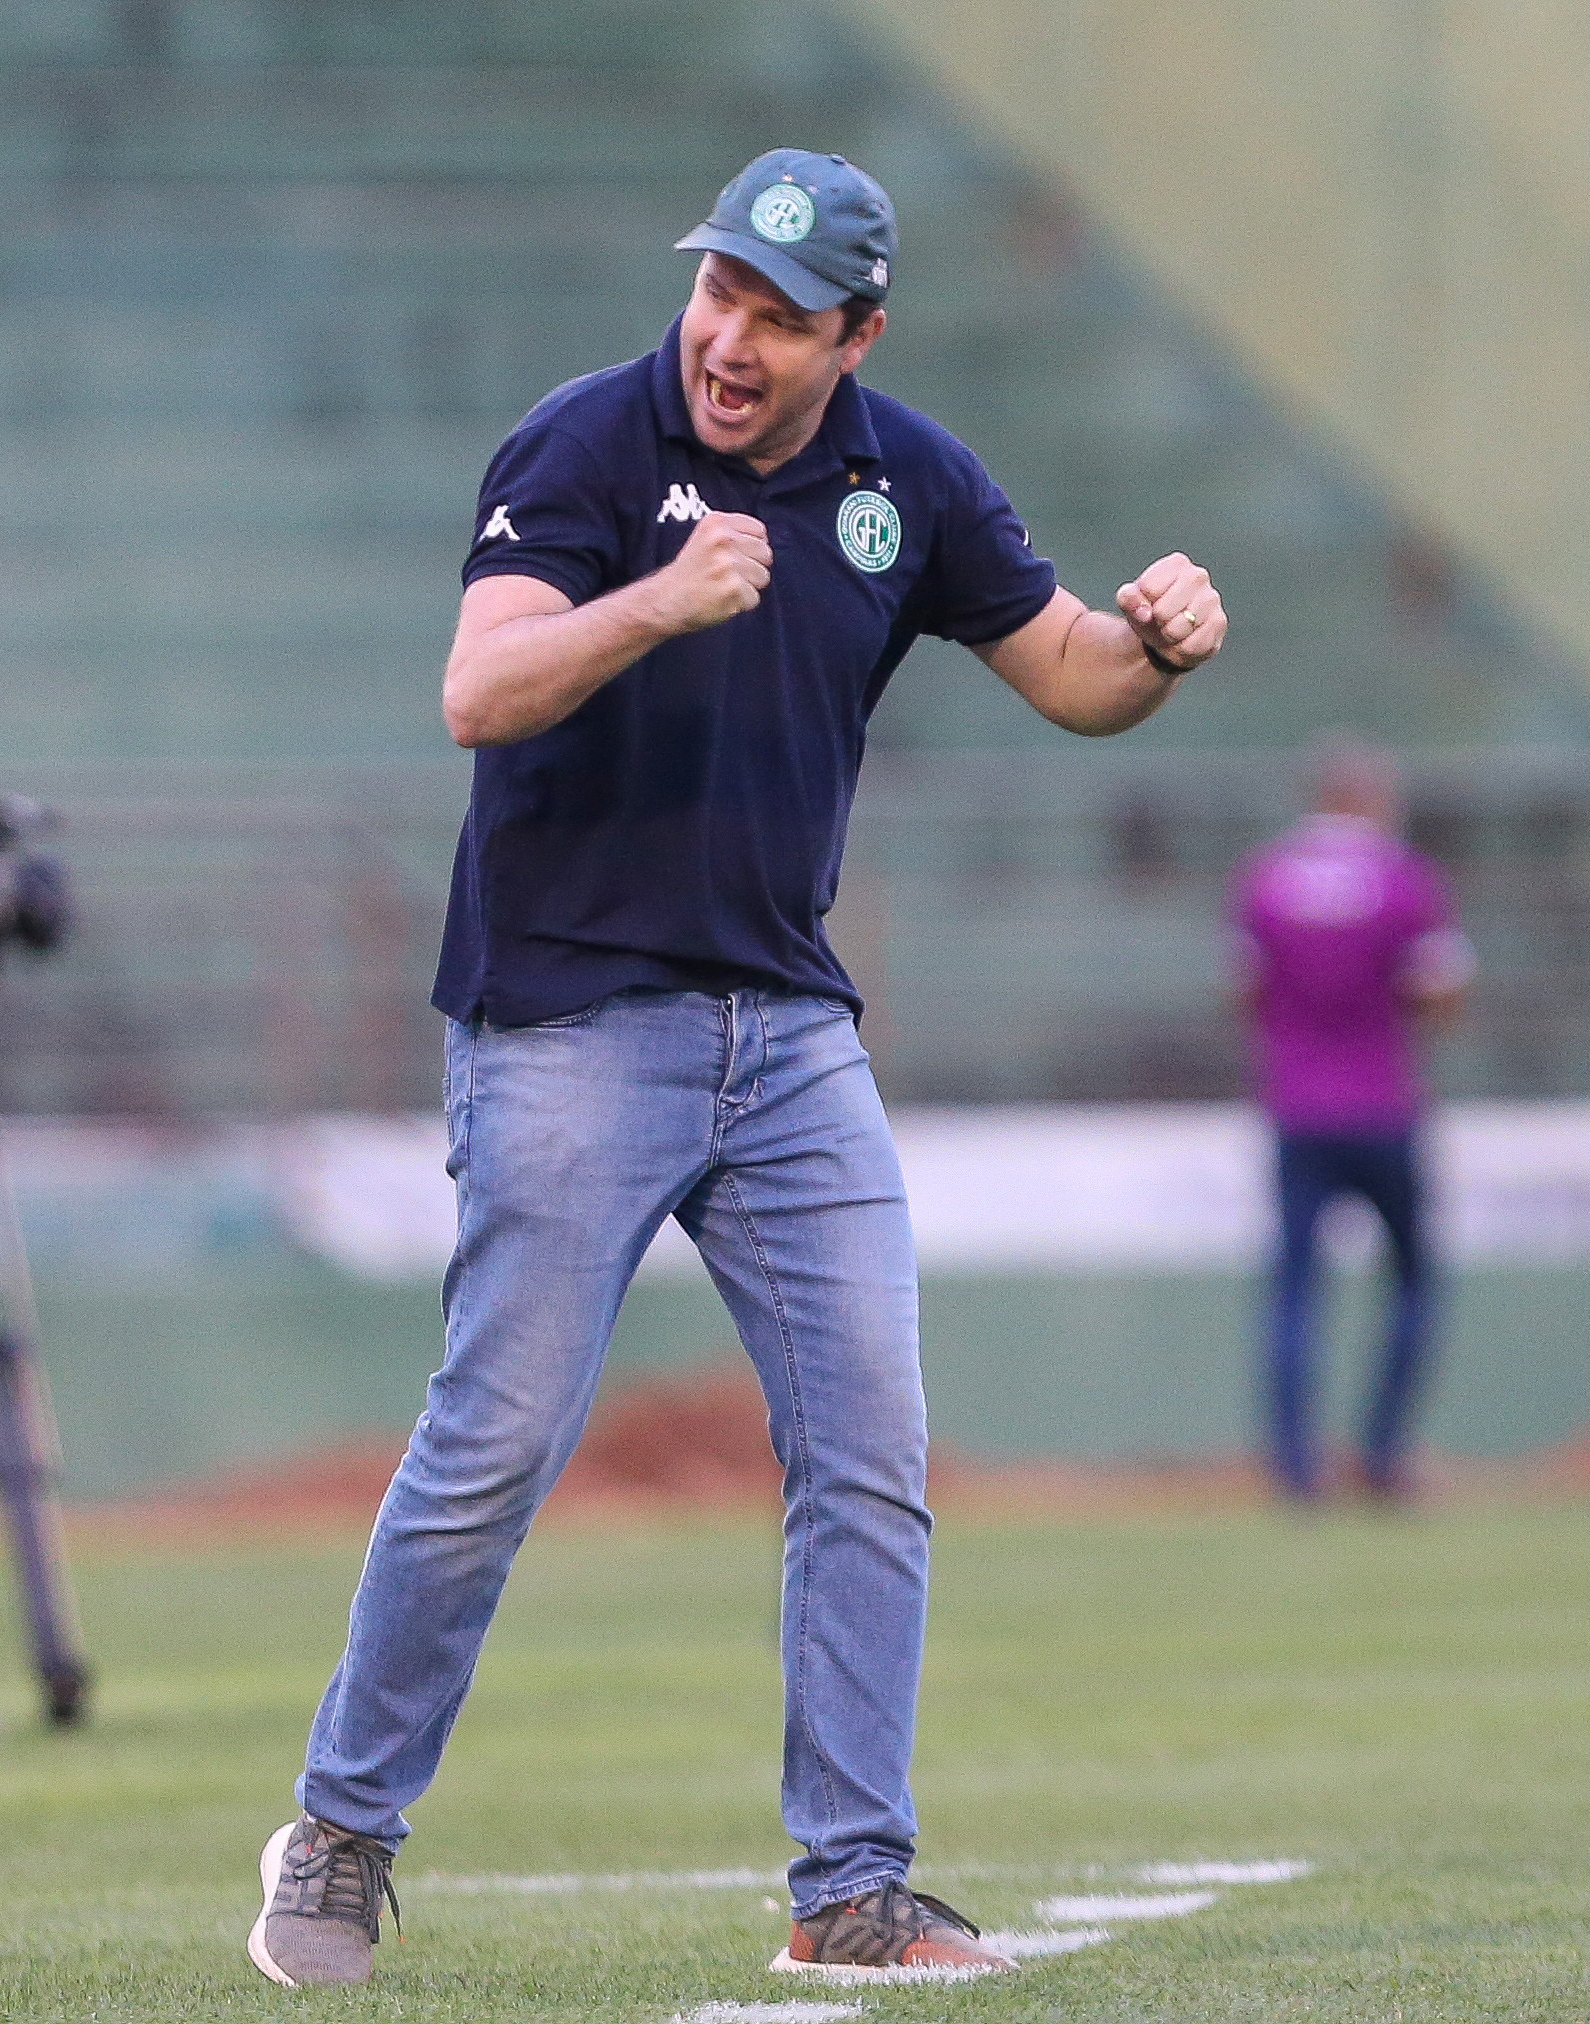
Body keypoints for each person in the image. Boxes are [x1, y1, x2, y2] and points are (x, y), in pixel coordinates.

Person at [245, 149, 1228, 1989]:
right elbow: (480, 688)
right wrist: (659, 603)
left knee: (870, 1445)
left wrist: (1159, 641)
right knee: (495, 1448)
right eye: (719, 293)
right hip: (565, 1020)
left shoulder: (904, 477)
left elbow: (1076, 672)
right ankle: (342, 1826)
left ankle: (850, 1881)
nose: (729, 337)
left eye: (780, 317)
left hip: (784, 1035)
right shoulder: (585, 448)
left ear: (857, 335)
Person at [1233, 737, 1471, 1505]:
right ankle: (1380, 1455)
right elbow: (1438, 993)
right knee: (1410, 1285)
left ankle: (1297, 1471)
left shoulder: (1265, 878)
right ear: (1371, 798)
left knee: (1295, 1290)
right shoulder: (1403, 880)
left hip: (1296, 1107)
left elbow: (1242, 989)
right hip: (1383, 1103)